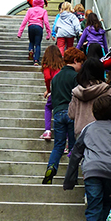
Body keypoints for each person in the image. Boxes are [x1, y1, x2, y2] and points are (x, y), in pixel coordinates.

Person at [42, 47, 85, 184]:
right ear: (75, 60)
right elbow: (79, 95)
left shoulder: (56, 78)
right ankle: (72, 177)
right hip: (71, 113)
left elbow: (53, 96)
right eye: (81, 63)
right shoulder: (75, 77)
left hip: (58, 113)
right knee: (73, 146)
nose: (81, 66)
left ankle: (51, 167)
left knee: (58, 145)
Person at [67, 57, 111, 138]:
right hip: (102, 133)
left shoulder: (77, 92)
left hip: (81, 133)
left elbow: (71, 114)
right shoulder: (107, 90)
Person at [17, 0, 51, 65]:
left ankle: (31, 50)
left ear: (34, 2)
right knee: (37, 44)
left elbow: (24, 21)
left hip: (31, 26)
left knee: (31, 41)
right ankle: (36, 60)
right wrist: (48, 33)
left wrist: (20, 33)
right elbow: (46, 22)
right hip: (39, 27)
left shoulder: (30, 10)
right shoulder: (44, 11)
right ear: (42, 3)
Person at [40, 45, 64, 141]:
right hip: (63, 90)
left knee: (48, 107)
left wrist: (48, 90)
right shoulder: (62, 65)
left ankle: (47, 131)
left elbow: (47, 77)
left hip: (55, 90)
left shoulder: (47, 65)